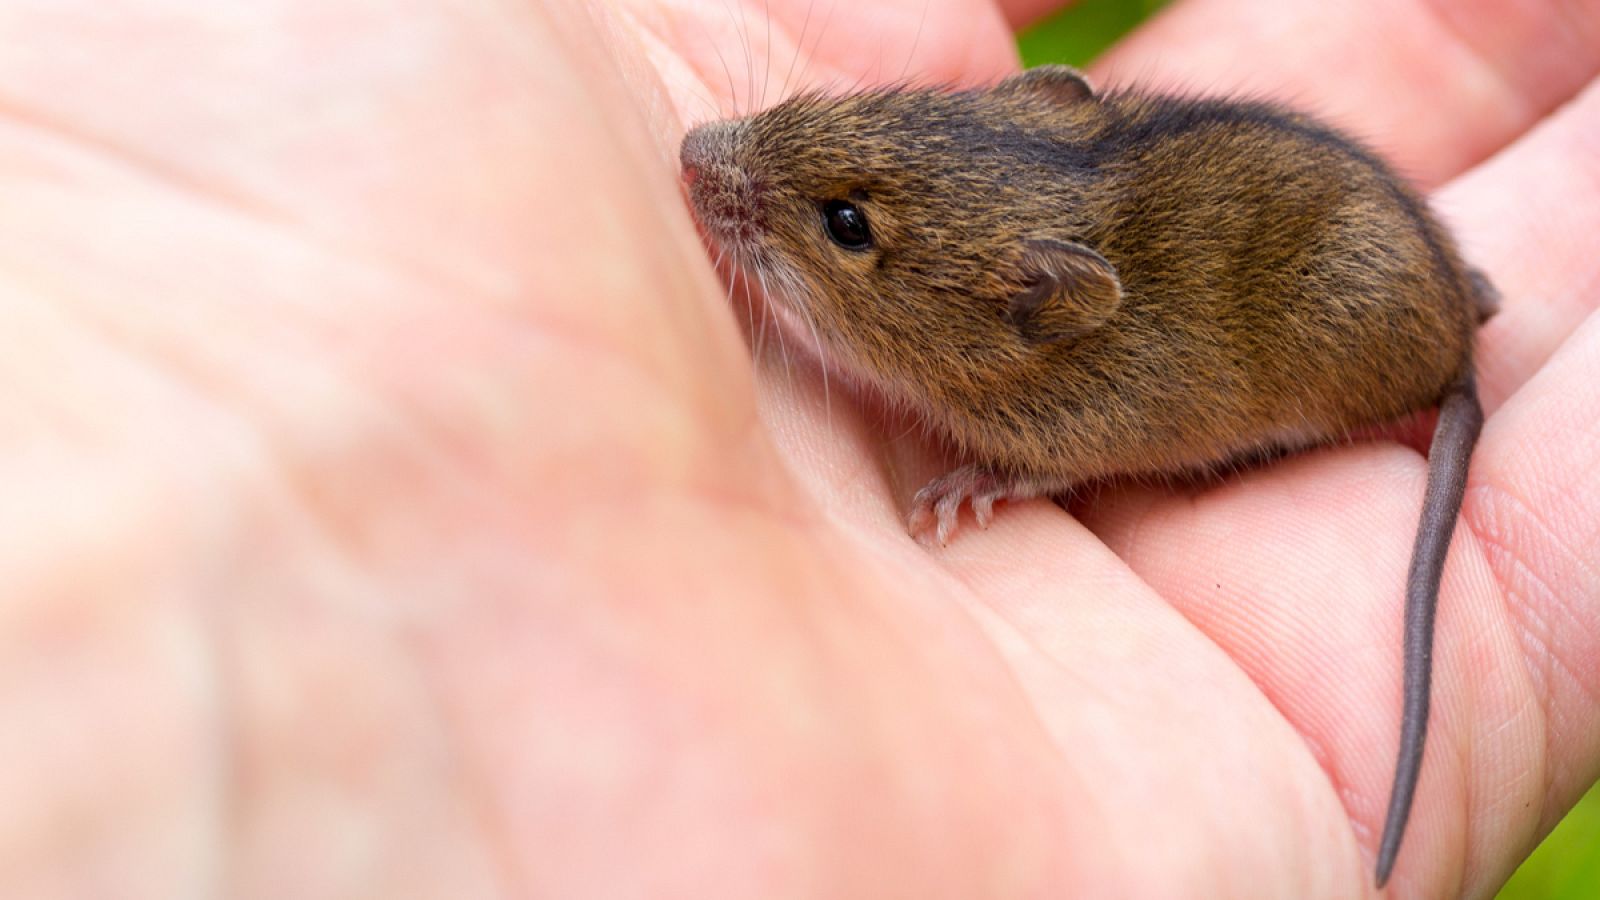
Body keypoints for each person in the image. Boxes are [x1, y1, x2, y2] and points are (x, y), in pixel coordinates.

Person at [4, 0, 1595, 895]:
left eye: (842, 226)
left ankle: (1427, 341)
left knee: (1312, 323)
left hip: (1333, 295)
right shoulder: (1020, 249)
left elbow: (1141, 407)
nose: (722, 179)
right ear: (1039, 110)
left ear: (1035, 308)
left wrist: (1029, 472)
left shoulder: (1073, 374)